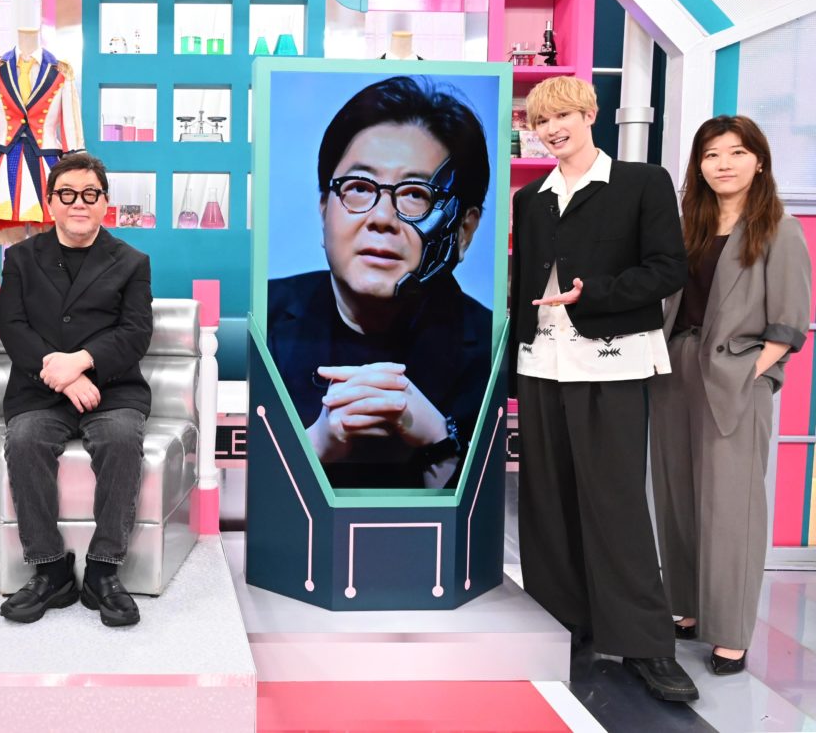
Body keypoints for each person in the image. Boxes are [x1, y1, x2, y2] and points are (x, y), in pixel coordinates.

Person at [509, 76, 697, 702]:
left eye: (562, 114)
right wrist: (511, 367)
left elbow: (668, 269)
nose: (552, 128)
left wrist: (595, 296)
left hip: (610, 362)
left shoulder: (642, 182)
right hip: (542, 363)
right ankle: (563, 625)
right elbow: (521, 288)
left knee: (616, 504)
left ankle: (646, 644)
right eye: (541, 121)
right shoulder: (530, 198)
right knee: (547, 502)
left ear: (591, 113)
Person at [267, 75, 492, 489]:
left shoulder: (489, 348)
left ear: (464, 230)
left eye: (416, 194)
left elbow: (485, 509)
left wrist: (439, 444)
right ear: (324, 209)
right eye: (358, 187)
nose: (382, 218)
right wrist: (315, 444)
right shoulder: (266, 316)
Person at [651, 115, 811, 675]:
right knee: (676, 496)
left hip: (735, 374)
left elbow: (789, 324)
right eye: (711, 154)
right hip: (675, 368)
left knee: (731, 506)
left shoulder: (778, 229)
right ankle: (688, 608)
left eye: (737, 152)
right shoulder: (686, 226)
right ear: (699, 165)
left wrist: (750, 374)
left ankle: (731, 632)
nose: (724, 163)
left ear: (759, 161)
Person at [0, 153, 153, 627]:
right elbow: (13, 328)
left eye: (89, 194)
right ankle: (50, 569)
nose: (78, 203)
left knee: (121, 439)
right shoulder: (21, 258)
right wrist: (61, 374)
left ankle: (103, 570)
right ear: (51, 202)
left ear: (105, 202)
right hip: (40, 389)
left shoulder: (132, 262)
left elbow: (135, 333)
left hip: (111, 389)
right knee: (25, 440)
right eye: (67, 194)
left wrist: (82, 362)